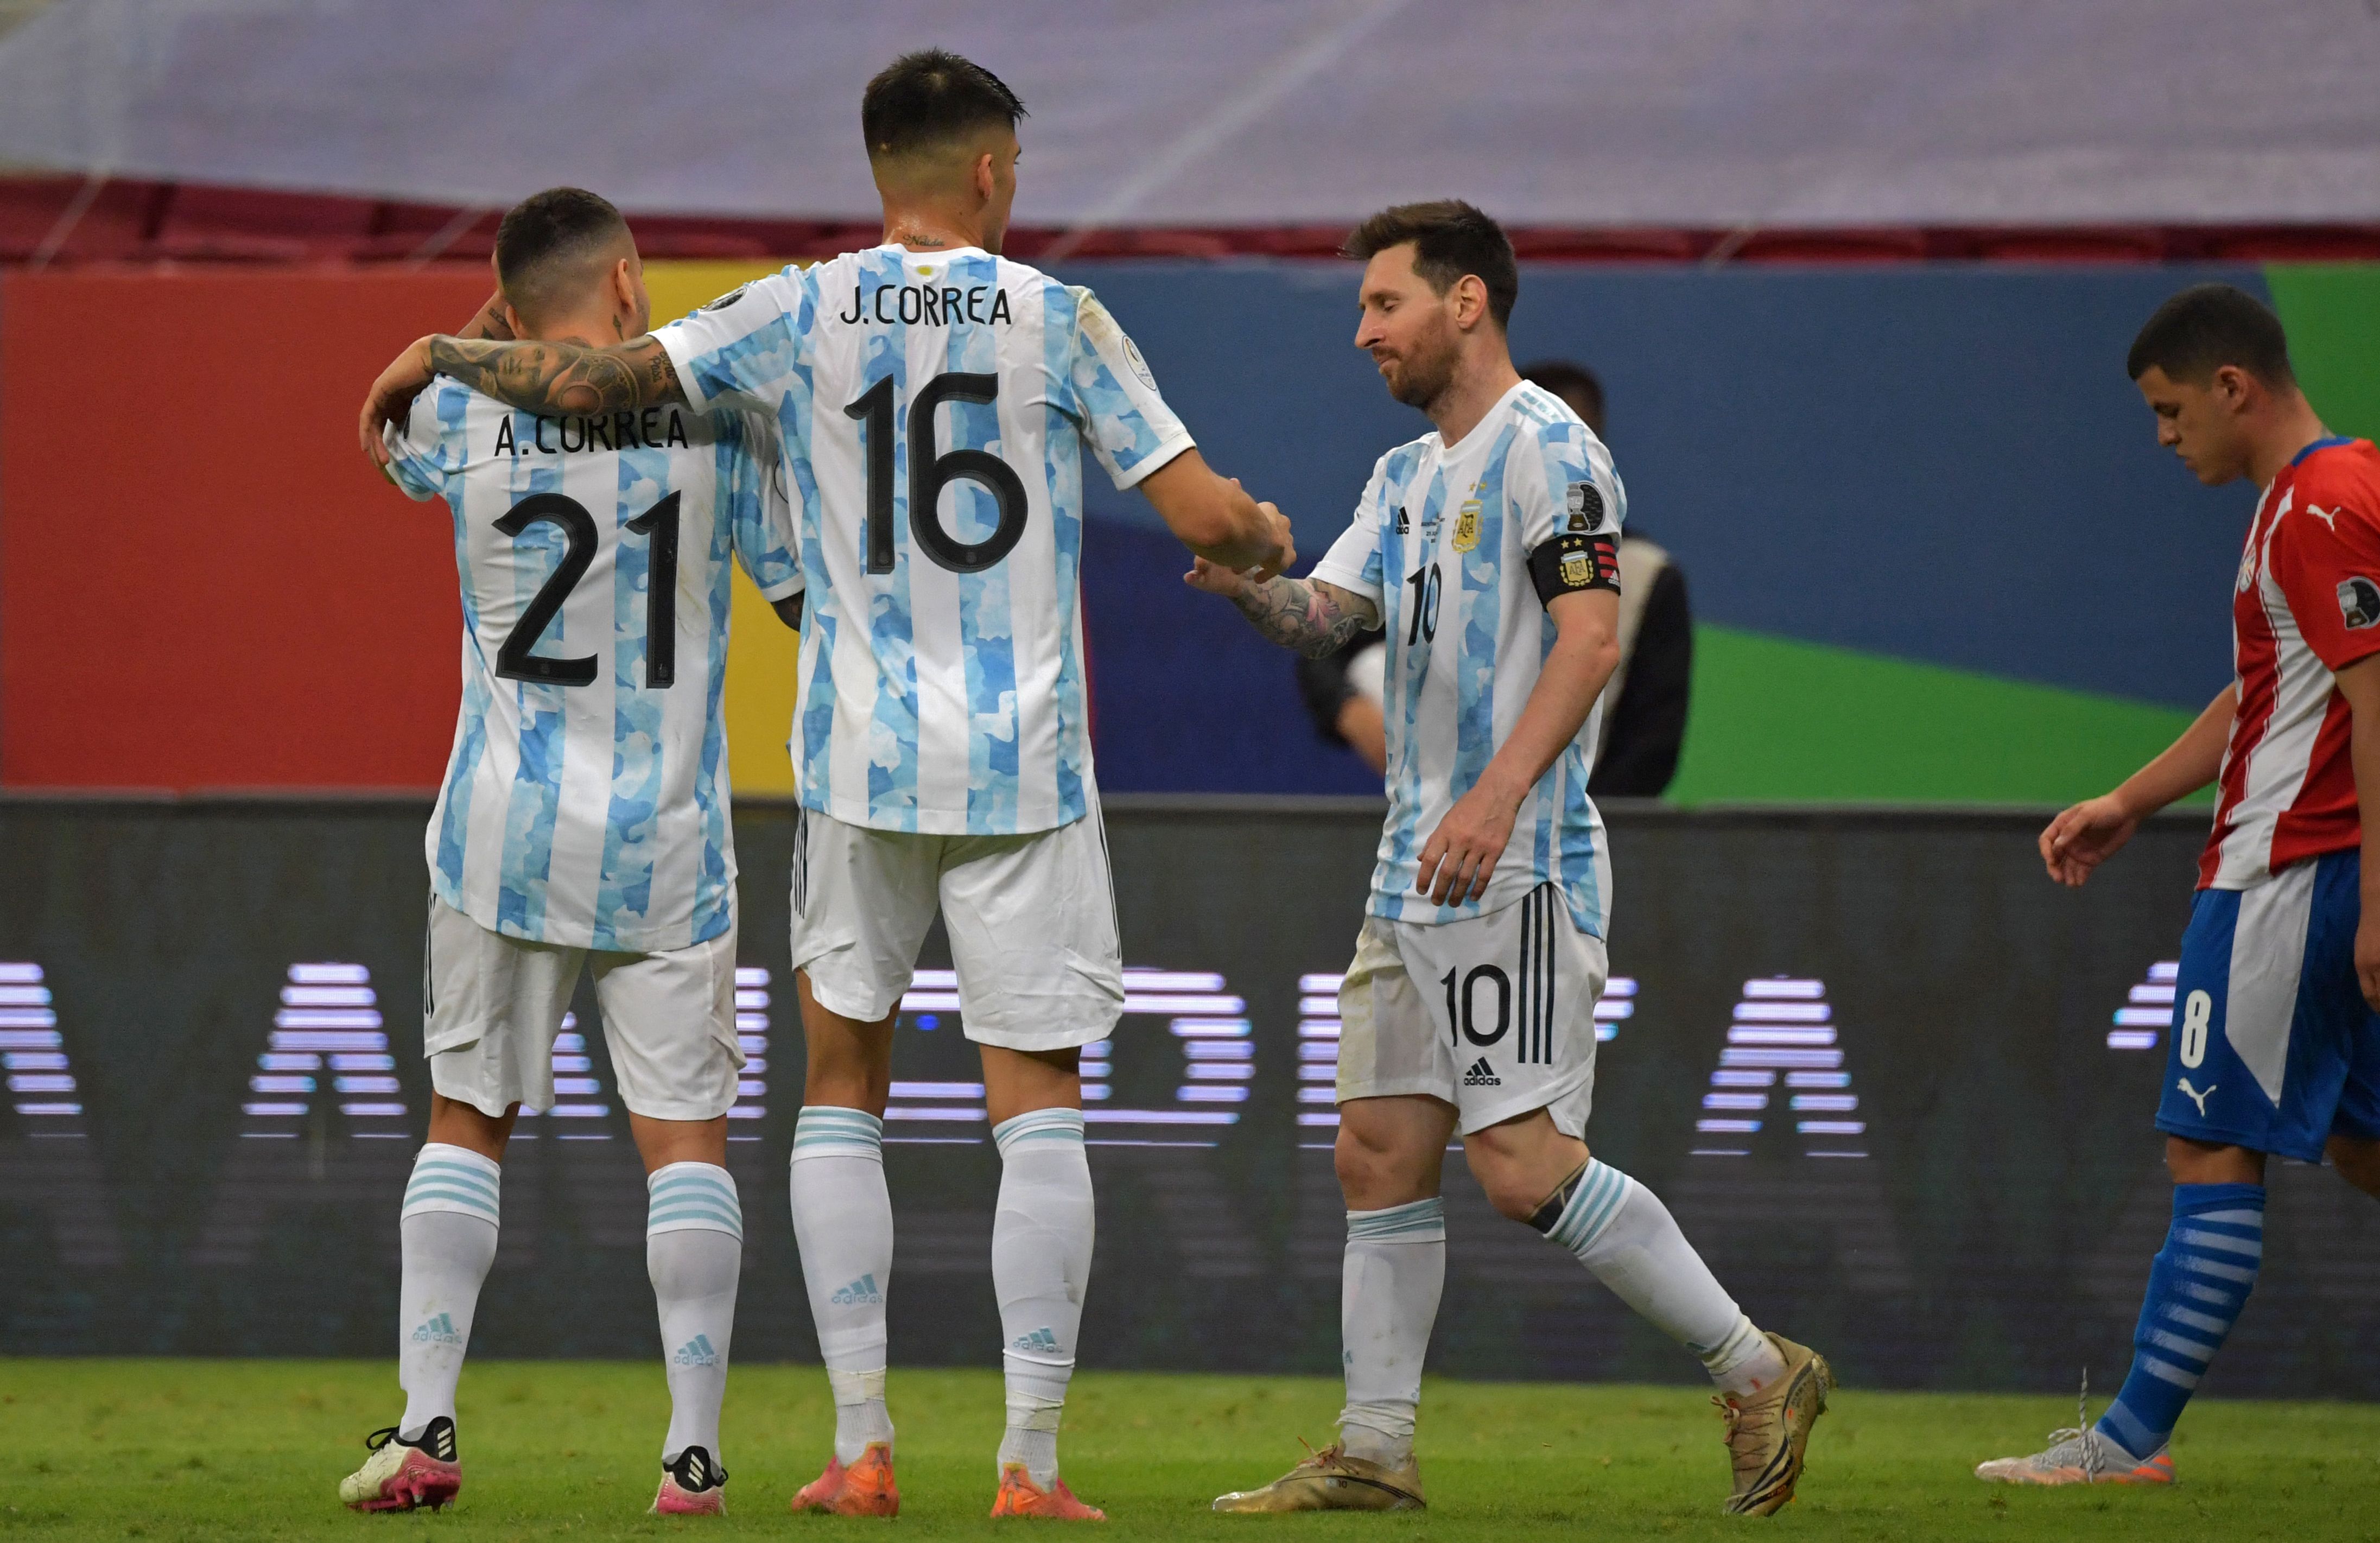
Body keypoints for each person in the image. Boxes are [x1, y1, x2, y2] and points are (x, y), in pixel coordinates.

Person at [359, 50, 1291, 1522]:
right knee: (1033, 1100)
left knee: (833, 1089)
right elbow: (1197, 513)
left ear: (878, 168)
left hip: (830, 767)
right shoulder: (1061, 319)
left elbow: (577, 387)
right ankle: (1025, 1464)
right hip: (1016, 766)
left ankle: (858, 1447)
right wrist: (1257, 538)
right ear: (990, 172)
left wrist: (457, 343)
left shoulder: (796, 309)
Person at [1188, 201, 1831, 1520]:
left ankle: (1758, 1366)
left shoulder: (1552, 452)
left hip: (1515, 861)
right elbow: (1328, 615)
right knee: (1376, 1147)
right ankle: (1375, 1447)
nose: (1364, 332)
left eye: (1386, 305)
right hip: (1412, 867)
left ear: (1466, 301)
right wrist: (1245, 581)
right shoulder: (1404, 475)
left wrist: (1492, 799)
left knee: (1523, 1165)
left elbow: (1591, 642)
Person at [339, 187, 807, 1517]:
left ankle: (426, 1427)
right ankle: (692, 1455)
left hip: (503, 829)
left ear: (506, 297)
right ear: (625, 278)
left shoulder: (450, 409)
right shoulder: (724, 420)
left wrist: (454, 334)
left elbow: (400, 443)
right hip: (669, 839)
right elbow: (791, 592)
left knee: (467, 1121)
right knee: (688, 1148)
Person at [1979, 284, 2380, 1485]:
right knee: (2379, 1147)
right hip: (2306, 866)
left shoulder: (2321, 503)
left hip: (2288, 876)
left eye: (2170, 411)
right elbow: (2267, 695)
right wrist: (2128, 798)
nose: (2164, 437)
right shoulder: (2312, 495)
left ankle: (2127, 1441)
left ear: (2232, 386)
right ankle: (2128, 1438)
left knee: (2206, 1152)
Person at [1295, 359, 1692, 797]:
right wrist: (1355, 713)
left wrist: (1529, 813)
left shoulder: (1647, 577)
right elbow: (1326, 641)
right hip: (1442, 821)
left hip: (1567, 836)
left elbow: (1651, 749)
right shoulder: (1441, 542)